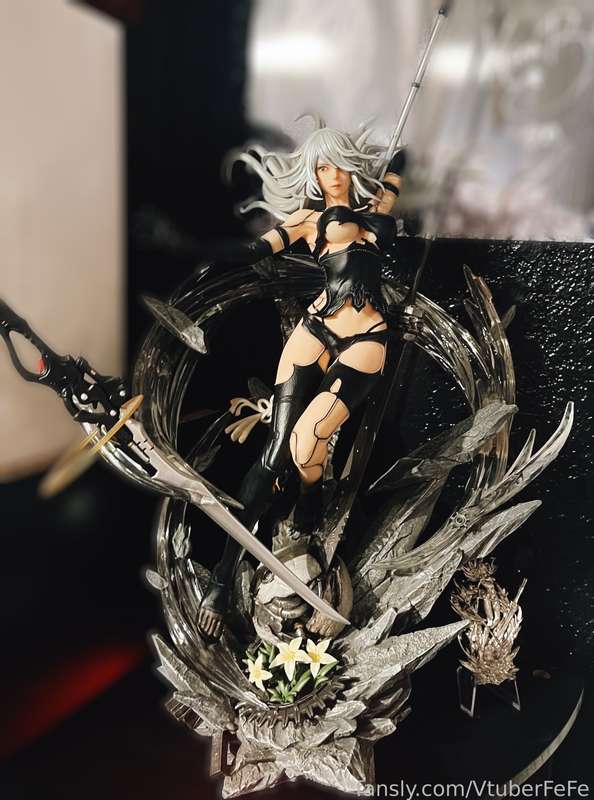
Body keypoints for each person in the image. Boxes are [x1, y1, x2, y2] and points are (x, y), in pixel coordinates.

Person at [197, 121, 406, 640]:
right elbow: (256, 250)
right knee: (274, 454)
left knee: (308, 440)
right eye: (320, 165)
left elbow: (397, 175)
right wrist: (191, 244)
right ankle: (222, 578)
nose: (330, 173)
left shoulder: (377, 207)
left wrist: (402, 156)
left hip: (367, 338)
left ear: (350, 166)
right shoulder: (310, 219)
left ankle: (311, 490)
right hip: (316, 329)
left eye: (337, 163)